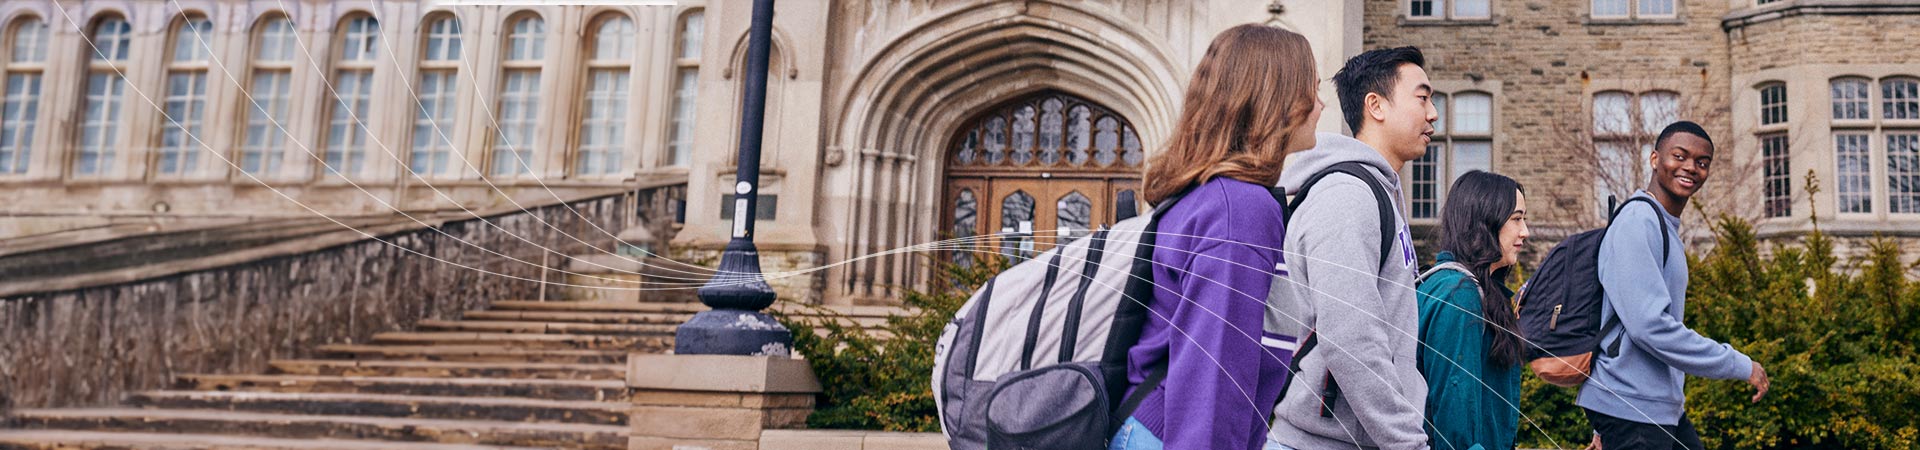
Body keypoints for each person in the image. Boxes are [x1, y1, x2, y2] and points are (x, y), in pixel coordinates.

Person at [1109, 23, 1323, 450]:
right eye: (1311, 88)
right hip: (1174, 434)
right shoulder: (1239, 210)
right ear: (1277, 99)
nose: (1321, 103)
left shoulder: (1211, 197)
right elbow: (1214, 374)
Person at [1268, 46, 1434, 450]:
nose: (1433, 114)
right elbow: (1351, 337)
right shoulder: (1348, 195)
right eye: (1423, 97)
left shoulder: (1377, 193)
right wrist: (1407, 442)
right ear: (1375, 106)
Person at [1578, 121, 1770, 450]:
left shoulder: (1663, 225)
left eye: (1702, 162)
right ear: (1655, 159)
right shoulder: (1639, 221)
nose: (1690, 168)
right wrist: (1738, 364)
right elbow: (1649, 326)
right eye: (1679, 156)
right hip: (1632, 405)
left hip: (1652, 408)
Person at [1415, 171, 1530, 450]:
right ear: (1485, 221)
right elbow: (1455, 415)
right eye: (1516, 219)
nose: (1525, 232)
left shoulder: (1467, 288)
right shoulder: (1459, 294)